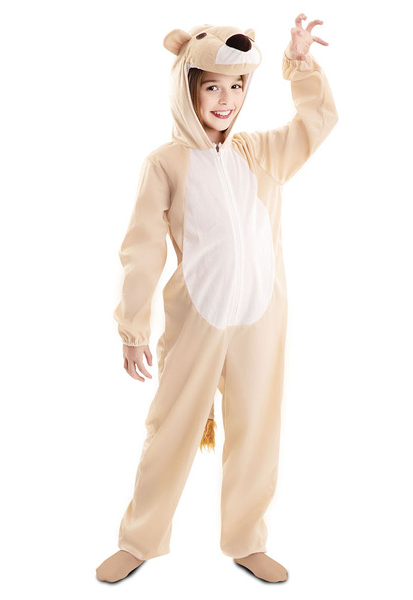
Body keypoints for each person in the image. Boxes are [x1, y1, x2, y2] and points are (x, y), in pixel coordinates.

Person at [96, 14, 338, 584]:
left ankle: (247, 539)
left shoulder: (262, 152)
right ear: (188, 89)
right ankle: (140, 539)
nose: (226, 100)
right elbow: (142, 250)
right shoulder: (166, 163)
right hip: (196, 321)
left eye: (236, 86)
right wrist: (133, 328)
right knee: (171, 431)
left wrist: (300, 63)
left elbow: (318, 120)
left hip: (261, 317)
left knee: (257, 429)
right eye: (212, 87)